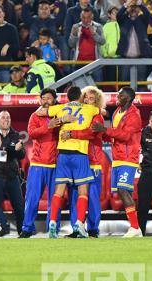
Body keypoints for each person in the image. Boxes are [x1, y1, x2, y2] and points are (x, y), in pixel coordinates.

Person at [40, 86, 99, 239]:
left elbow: (40, 112)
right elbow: (102, 111)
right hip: (79, 153)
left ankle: (52, 222)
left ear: (67, 97)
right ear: (80, 96)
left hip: (63, 154)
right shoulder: (89, 109)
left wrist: (61, 119)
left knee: (58, 191)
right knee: (83, 191)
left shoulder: (60, 107)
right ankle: (79, 224)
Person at [92, 87, 143, 238]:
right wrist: (103, 134)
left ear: (128, 98)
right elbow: (115, 134)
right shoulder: (117, 112)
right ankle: (135, 227)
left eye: (120, 95)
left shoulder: (134, 115)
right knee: (121, 191)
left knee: (122, 189)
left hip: (128, 157)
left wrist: (105, 130)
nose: (117, 96)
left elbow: (126, 136)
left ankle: (135, 227)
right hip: (117, 157)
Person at [63, 86, 107, 238]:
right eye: (86, 98)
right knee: (75, 196)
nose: (88, 101)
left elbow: (92, 133)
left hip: (93, 161)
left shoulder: (97, 116)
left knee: (93, 197)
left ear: (97, 102)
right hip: (78, 158)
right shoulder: (78, 114)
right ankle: (77, 227)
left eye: (92, 99)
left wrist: (72, 133)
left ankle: (93, 229)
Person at [19, 89, 60, 238]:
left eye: (49, 98)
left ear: (55, 100)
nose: (46, 101)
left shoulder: (60, 114)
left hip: (56, 164)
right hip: (38, 163)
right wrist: (48, 126)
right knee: (32, 198)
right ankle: (27, 228)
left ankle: (53, 229)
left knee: (55, 200)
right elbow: (32, 134)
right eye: (44, 98)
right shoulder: (35, 116)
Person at [0, 110, 25, 238]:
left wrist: (7, 149)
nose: (6, 120)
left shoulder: (16, 134)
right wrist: (8, 149)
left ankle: (22, 233)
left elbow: (21, 154)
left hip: (12, 176)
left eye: (8, 118)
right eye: (3, 118)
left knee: (19, 207)